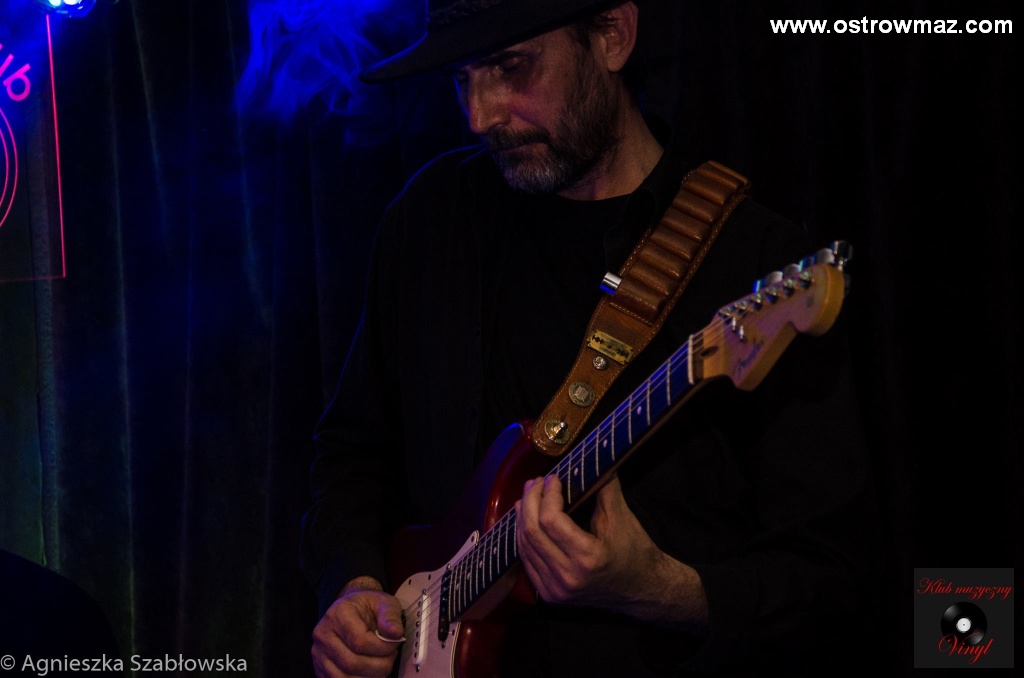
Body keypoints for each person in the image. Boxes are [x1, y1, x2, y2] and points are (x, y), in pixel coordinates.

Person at [300, 1, 880, 676]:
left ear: (612, 35)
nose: (480, 116)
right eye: (462, 79)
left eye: (511, 67)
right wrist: (355, 584)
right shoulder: (429, 221)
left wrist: (657, 588)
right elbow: (353, 454)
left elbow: (835, 584)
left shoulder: (752, 263)